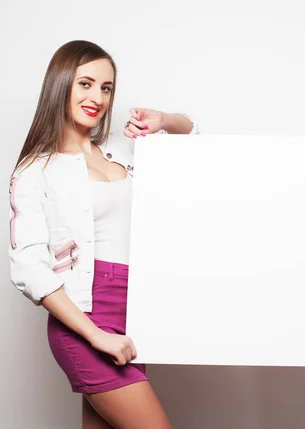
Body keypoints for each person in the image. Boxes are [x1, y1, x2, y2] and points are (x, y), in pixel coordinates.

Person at [8, 40, 199, 429]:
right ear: (61, 84)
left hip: (134, 313)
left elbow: (194, 142)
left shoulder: (121, 149)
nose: (97, 97)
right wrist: (96, 336)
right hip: (86, 318)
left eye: (106, 88)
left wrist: (163, 121)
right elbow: (30, 268)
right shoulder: (34, 170)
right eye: (86, 84)